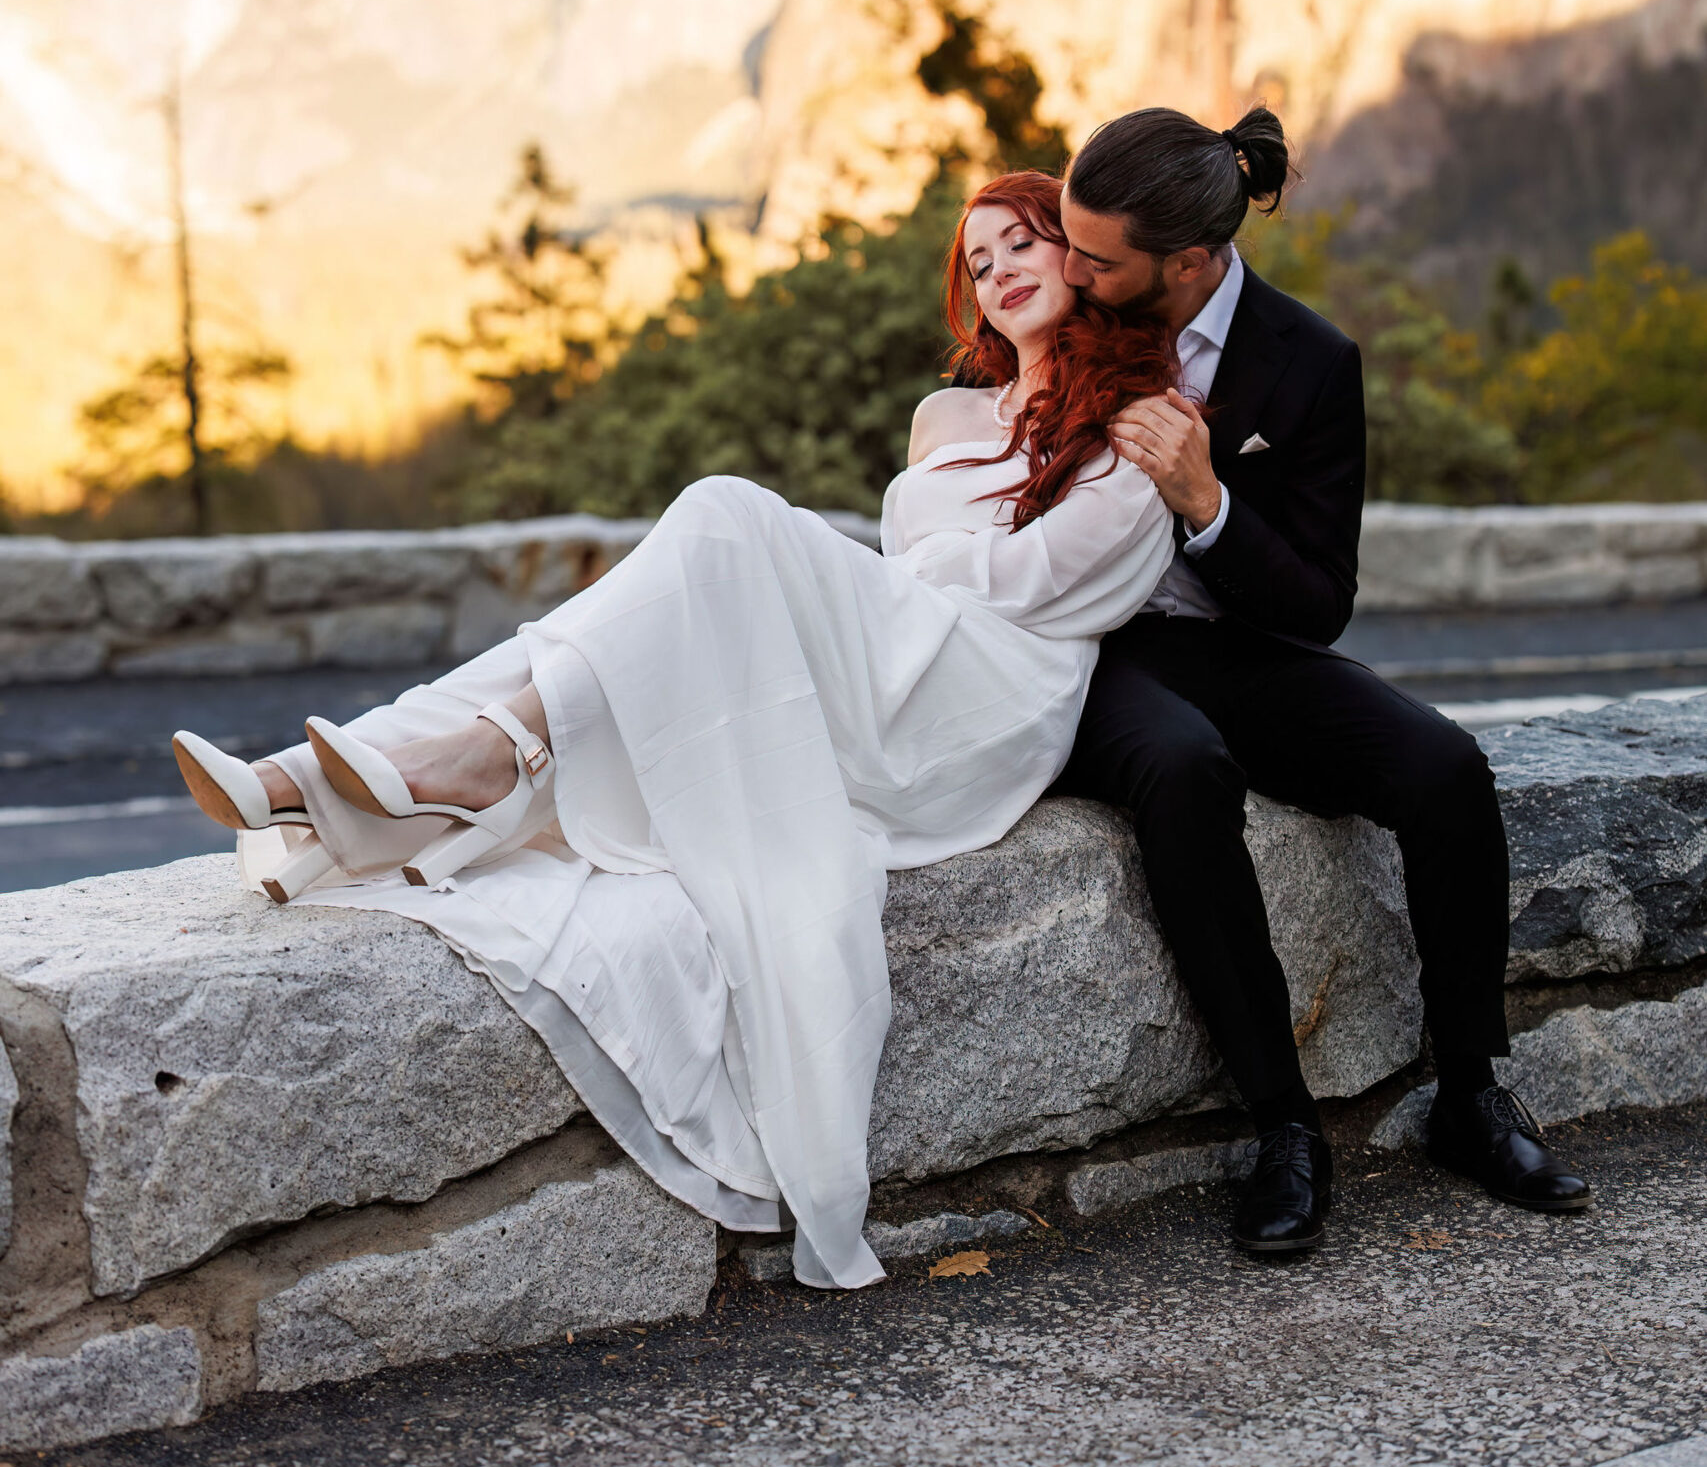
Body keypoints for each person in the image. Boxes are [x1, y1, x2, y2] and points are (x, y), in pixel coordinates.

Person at [172, 172, 1176, 1292]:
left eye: (1021, 243)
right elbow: (924, 573)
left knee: (727, 519)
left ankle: (436, 767)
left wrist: (922, 573)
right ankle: (360, 777)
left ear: (1082, 256)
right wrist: (916, 577)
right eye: (977, 263)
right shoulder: (946, 417)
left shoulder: (1139, 426)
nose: (998, 273)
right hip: (903, 652)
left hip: (981, 706)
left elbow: (1045, 589)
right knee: (690, 584)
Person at [1056, 103, 1589, 1257]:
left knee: (1443, 764)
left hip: (1241, 640)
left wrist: (1210, 504)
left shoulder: (1313, 361)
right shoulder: (1060, 316)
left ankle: (1472, 1092)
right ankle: (1286, 1127)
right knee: (1187, 771)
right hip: (1092, 651)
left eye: (1098, 257)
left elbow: (1316, 603)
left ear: (1188, 261)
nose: (1070, 269)